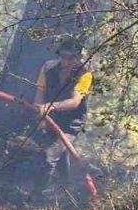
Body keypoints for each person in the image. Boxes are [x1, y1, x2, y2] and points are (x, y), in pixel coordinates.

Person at [22, 39, 93, 193]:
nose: (66, 61)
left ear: (79, 58)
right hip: (51, 118)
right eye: (63, 56)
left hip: (71, 123)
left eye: (71, 58)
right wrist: (40, 114)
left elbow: (75, 101)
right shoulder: (48, 68)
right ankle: (66, 189)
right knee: (62, 153)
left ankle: (35, 196)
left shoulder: (85, 74)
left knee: (49, 155)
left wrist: (52, 106)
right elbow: (40, 93)